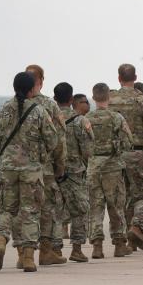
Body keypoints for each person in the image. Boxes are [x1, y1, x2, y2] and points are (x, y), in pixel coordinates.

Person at [0, 72, 61, 272]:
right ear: (31, 89)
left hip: (6, 168)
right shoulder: (38, 111)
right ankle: (28, 258)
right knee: (30, 212)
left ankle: (1, 241)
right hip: (31, 170)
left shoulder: (3, 109)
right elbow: (52, 140)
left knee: (6, 210)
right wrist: (42, 157)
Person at [24, 64, 68, 265]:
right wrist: (60, 166)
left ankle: (24, 254)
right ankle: (46, 251)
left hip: (20, 166)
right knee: (49, 208)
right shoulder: (49, 105)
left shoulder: (14, 104)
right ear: (41, 81)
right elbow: (59, 139)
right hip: (46, 167)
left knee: (24, 209)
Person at [108, 64, 143, 253]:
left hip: (116, 155)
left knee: (122, 196)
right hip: (137, 153)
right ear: (135, 77)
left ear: (119, 78)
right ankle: (137, 227)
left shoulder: (110, 99)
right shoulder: (142, 100)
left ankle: (126, 241)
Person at [86, 83, 133, 258]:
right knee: (116, 207)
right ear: (109, 97)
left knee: (95, 207)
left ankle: (97, 246)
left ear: (93, 96)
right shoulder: (116, 118)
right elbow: (128, 143)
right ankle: (119, 244)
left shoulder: (86, 119)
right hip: (112, 167)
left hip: (93, 167)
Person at [54, 83, 93, 262]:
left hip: (54, 173)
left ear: (55, 99)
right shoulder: (80, 121)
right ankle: (76, 249)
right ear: (71, 100)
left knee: (54, 211)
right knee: (80, 210)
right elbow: (88, 150)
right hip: (75, 173)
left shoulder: (49, 118)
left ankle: (55, 249)